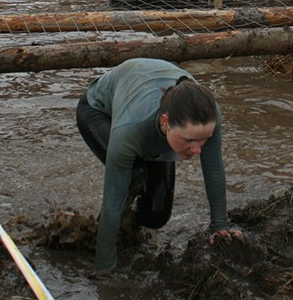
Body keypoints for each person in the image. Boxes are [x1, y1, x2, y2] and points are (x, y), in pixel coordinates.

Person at [76, 58, 242, 272]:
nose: (197, 149)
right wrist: (104, 267)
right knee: (133, 175)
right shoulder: (130, 128)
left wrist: (220, 225)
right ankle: (105, 235)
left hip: (153, 109)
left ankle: (130, 224)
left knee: (155, 216)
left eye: (203, 140)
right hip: (98, 112)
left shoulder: (208, 116)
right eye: (189, 141)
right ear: (165, 121)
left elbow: (213, 169)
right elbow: (112, 199)